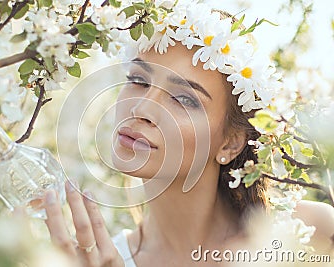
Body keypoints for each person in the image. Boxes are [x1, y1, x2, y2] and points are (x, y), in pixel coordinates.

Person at [42, 2, 334, 266]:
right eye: (139, 80)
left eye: (184, 99)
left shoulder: (307, 232)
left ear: (230, 143)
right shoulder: (103, 260)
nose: (141, 109)